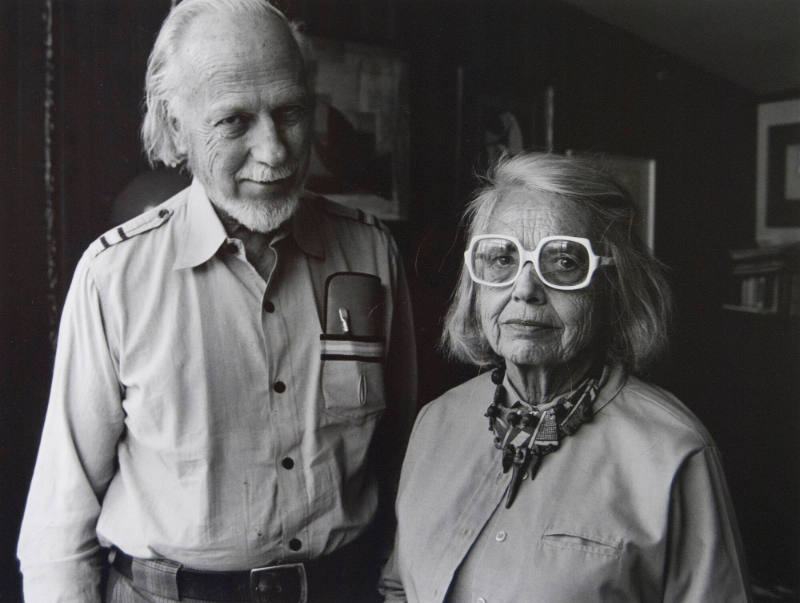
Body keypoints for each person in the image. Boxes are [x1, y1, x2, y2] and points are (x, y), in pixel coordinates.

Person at [17, 1, 416, 601]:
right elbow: (59, 518)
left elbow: (404, 458)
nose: (276, 152)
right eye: (234, 122)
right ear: (177, 127)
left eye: (290, 112)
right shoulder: (113, 276)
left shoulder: (371, 252)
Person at [379, 153, 751, 602]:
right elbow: (399, 588)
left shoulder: (674, 452)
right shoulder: (436, 423)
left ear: (611, 286)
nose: (525, 289)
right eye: (501, 258)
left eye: (563, 262)